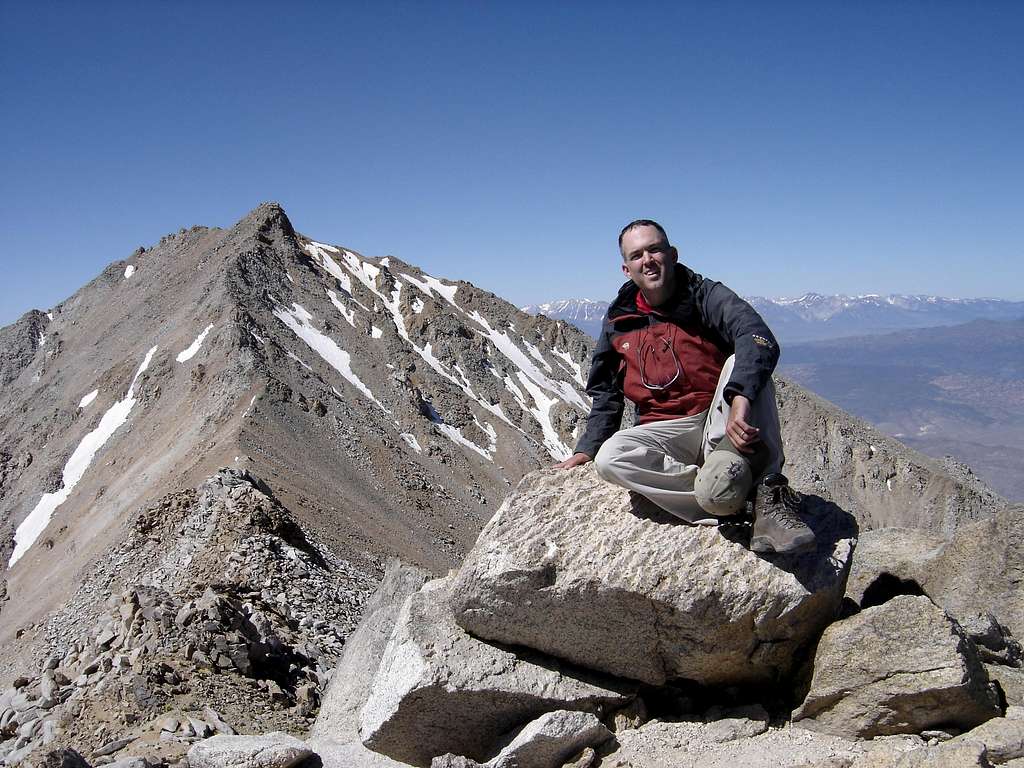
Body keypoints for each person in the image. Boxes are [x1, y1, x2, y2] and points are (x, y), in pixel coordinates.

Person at [554, 219, 815, 555]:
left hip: (718, 420)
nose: (647, 259)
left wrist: (739, 400)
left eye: (654, 249)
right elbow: (606, 390)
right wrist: (587, 448)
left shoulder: (704, 295)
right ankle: (729, 499)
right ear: (626, 268)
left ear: (672, 254)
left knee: (743, 362)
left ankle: (769, 493)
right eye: (637, 255)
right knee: (610, 459)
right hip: (665, 433)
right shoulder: (619, 320)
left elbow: (756, 335)